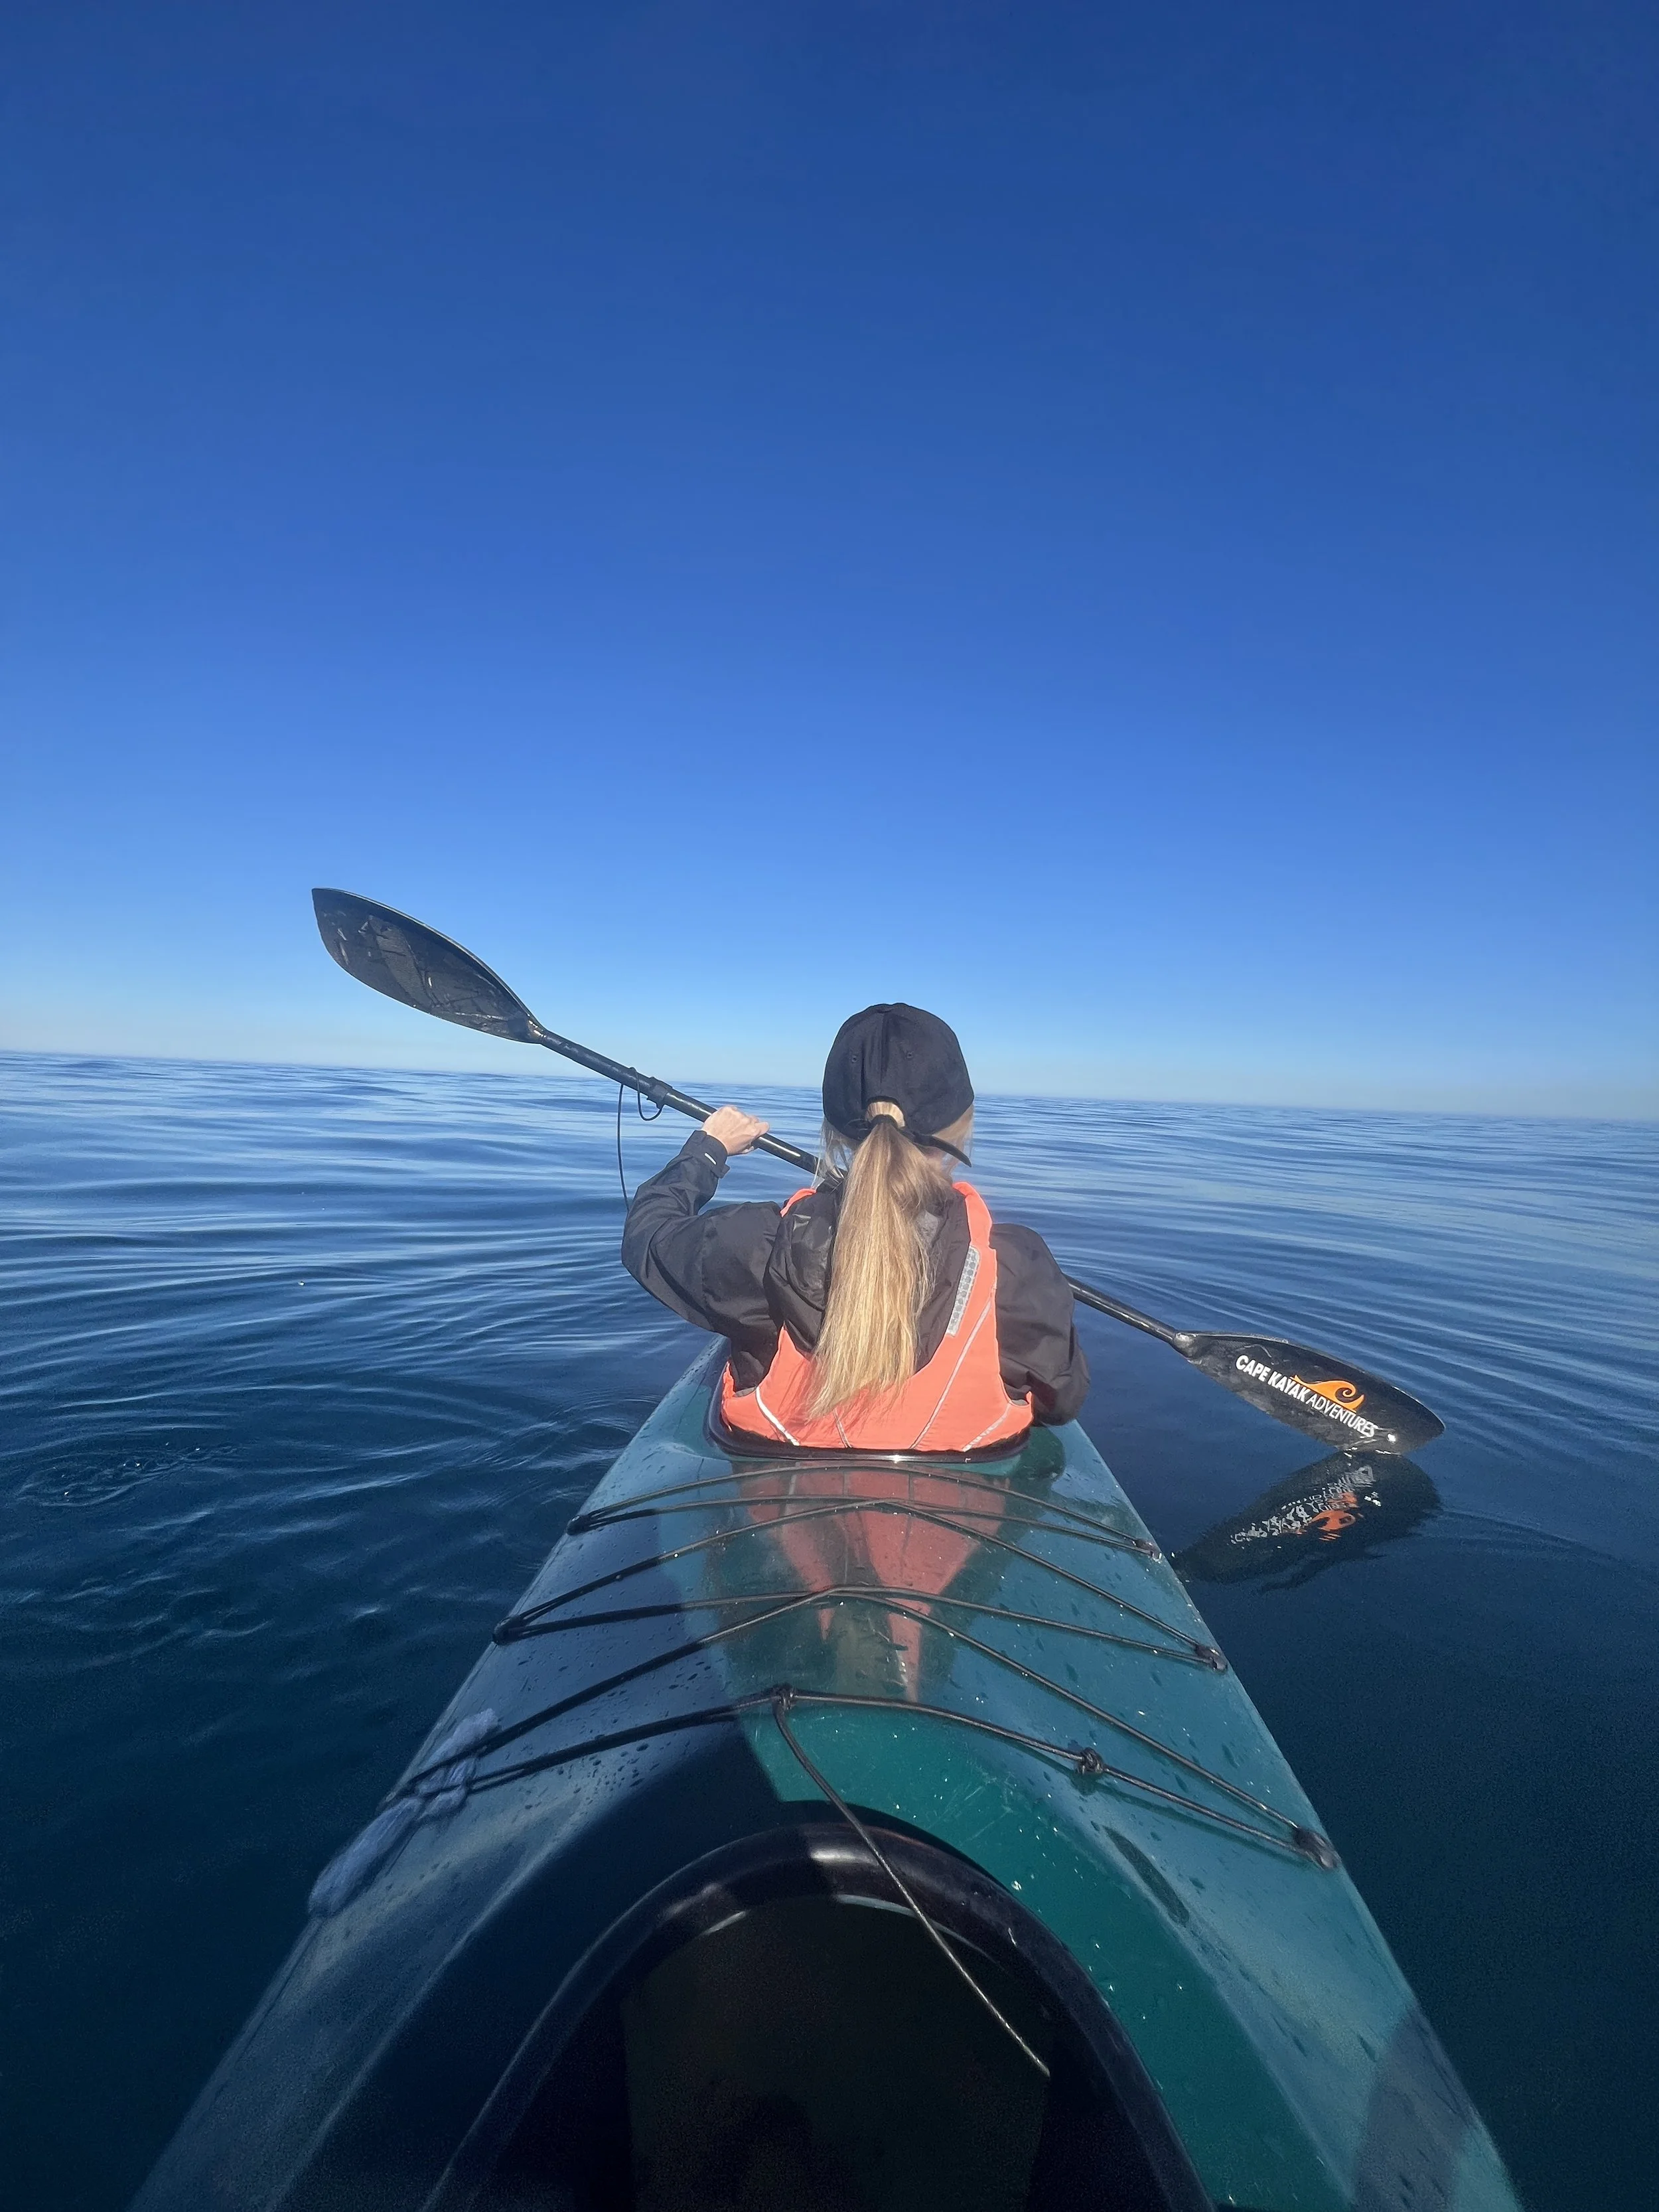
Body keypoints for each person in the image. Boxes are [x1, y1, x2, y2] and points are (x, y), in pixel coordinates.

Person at [622, 1003, 1088, 1451]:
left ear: (835, 1130)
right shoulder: (1019, 1268)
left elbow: (649, 1233)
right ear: (960, 1125)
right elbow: (1061, 1400)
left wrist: (710, 1148)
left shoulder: (759, 1248)